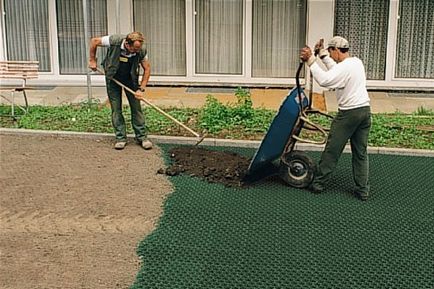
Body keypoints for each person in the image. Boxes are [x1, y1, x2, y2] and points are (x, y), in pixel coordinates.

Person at [299, 36, 371, 201]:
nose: (331, 57)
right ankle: (363, 190)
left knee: (332, 150)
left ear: (336, 50)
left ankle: (318, 184)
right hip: (365, 112)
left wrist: (311, 59)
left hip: (349, 114)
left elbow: (326, 80)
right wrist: (322, 54)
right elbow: (336, 71)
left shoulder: (344, 67)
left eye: (331, 53)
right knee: (360, 153)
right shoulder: (356, 63)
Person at [88, 31, 152, 150]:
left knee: (136, 107)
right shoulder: (114, 41)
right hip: (113, 77)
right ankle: (121, 138)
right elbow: (94, 41)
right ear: (127, 44)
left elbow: (147, 69)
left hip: (130, 79)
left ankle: (142, 137)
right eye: (135, 49)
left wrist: (141, 89)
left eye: (139, 49)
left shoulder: (141, 50)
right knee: (116, 108)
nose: (137, 51)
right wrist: (92, 60)